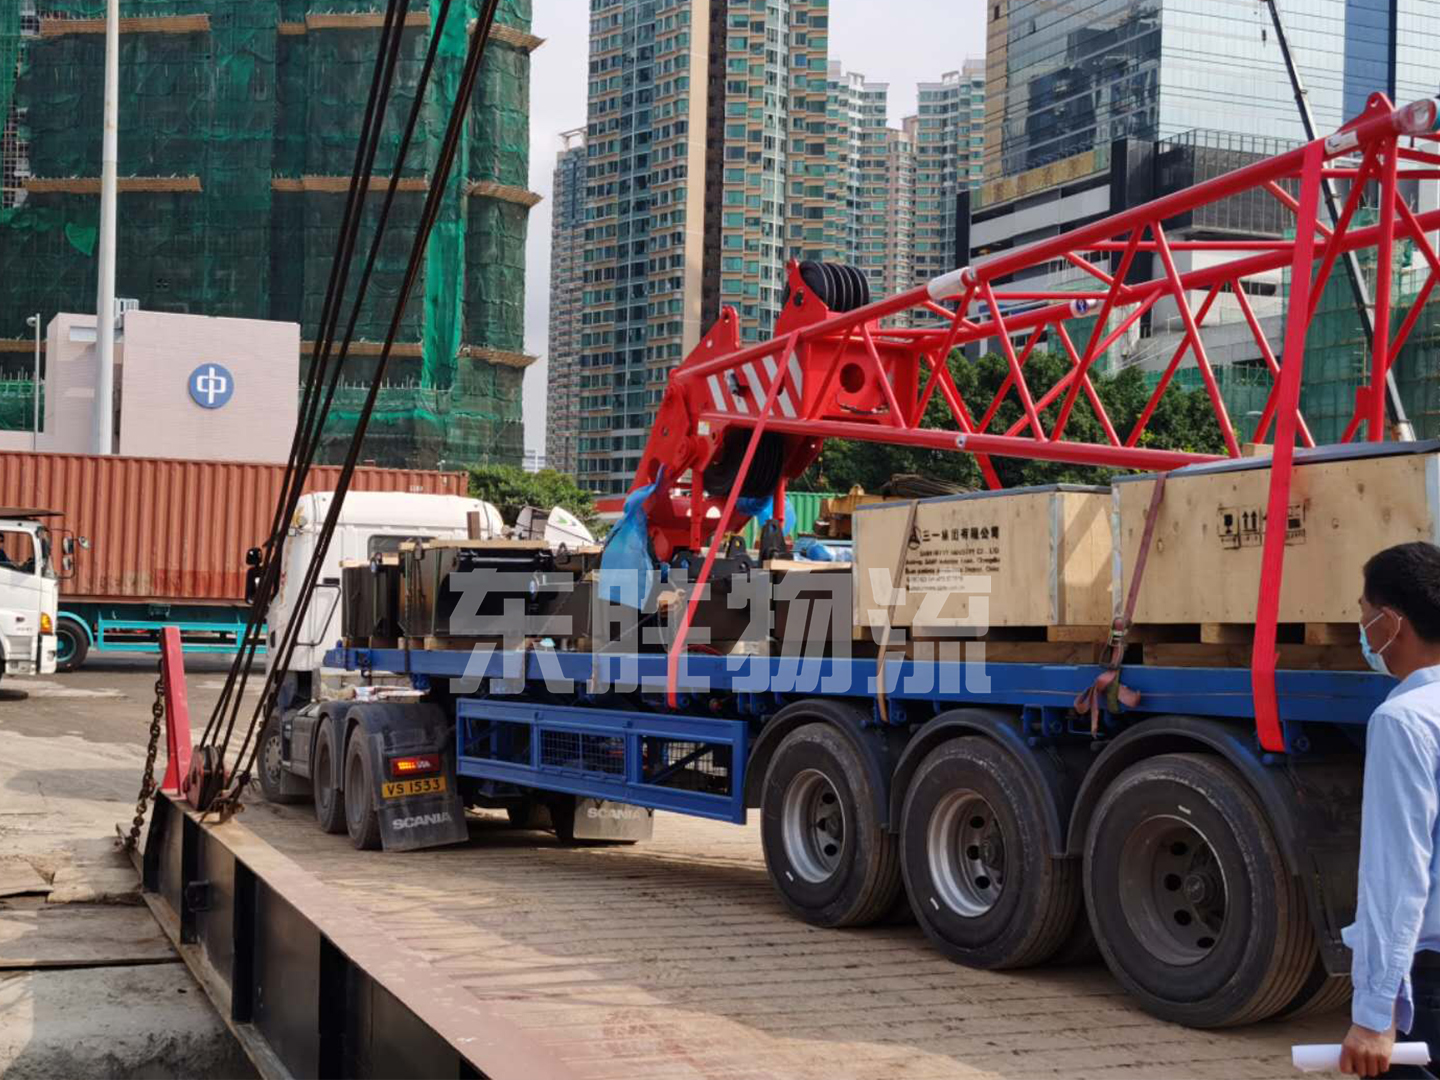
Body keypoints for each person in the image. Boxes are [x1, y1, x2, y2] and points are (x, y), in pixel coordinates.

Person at [1342, 542, 1440, 1078]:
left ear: (1391, 623)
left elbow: (1396, 876)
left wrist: (1375, 1015)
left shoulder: (1405, 720)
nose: (1362, 628)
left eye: (1363, 612)